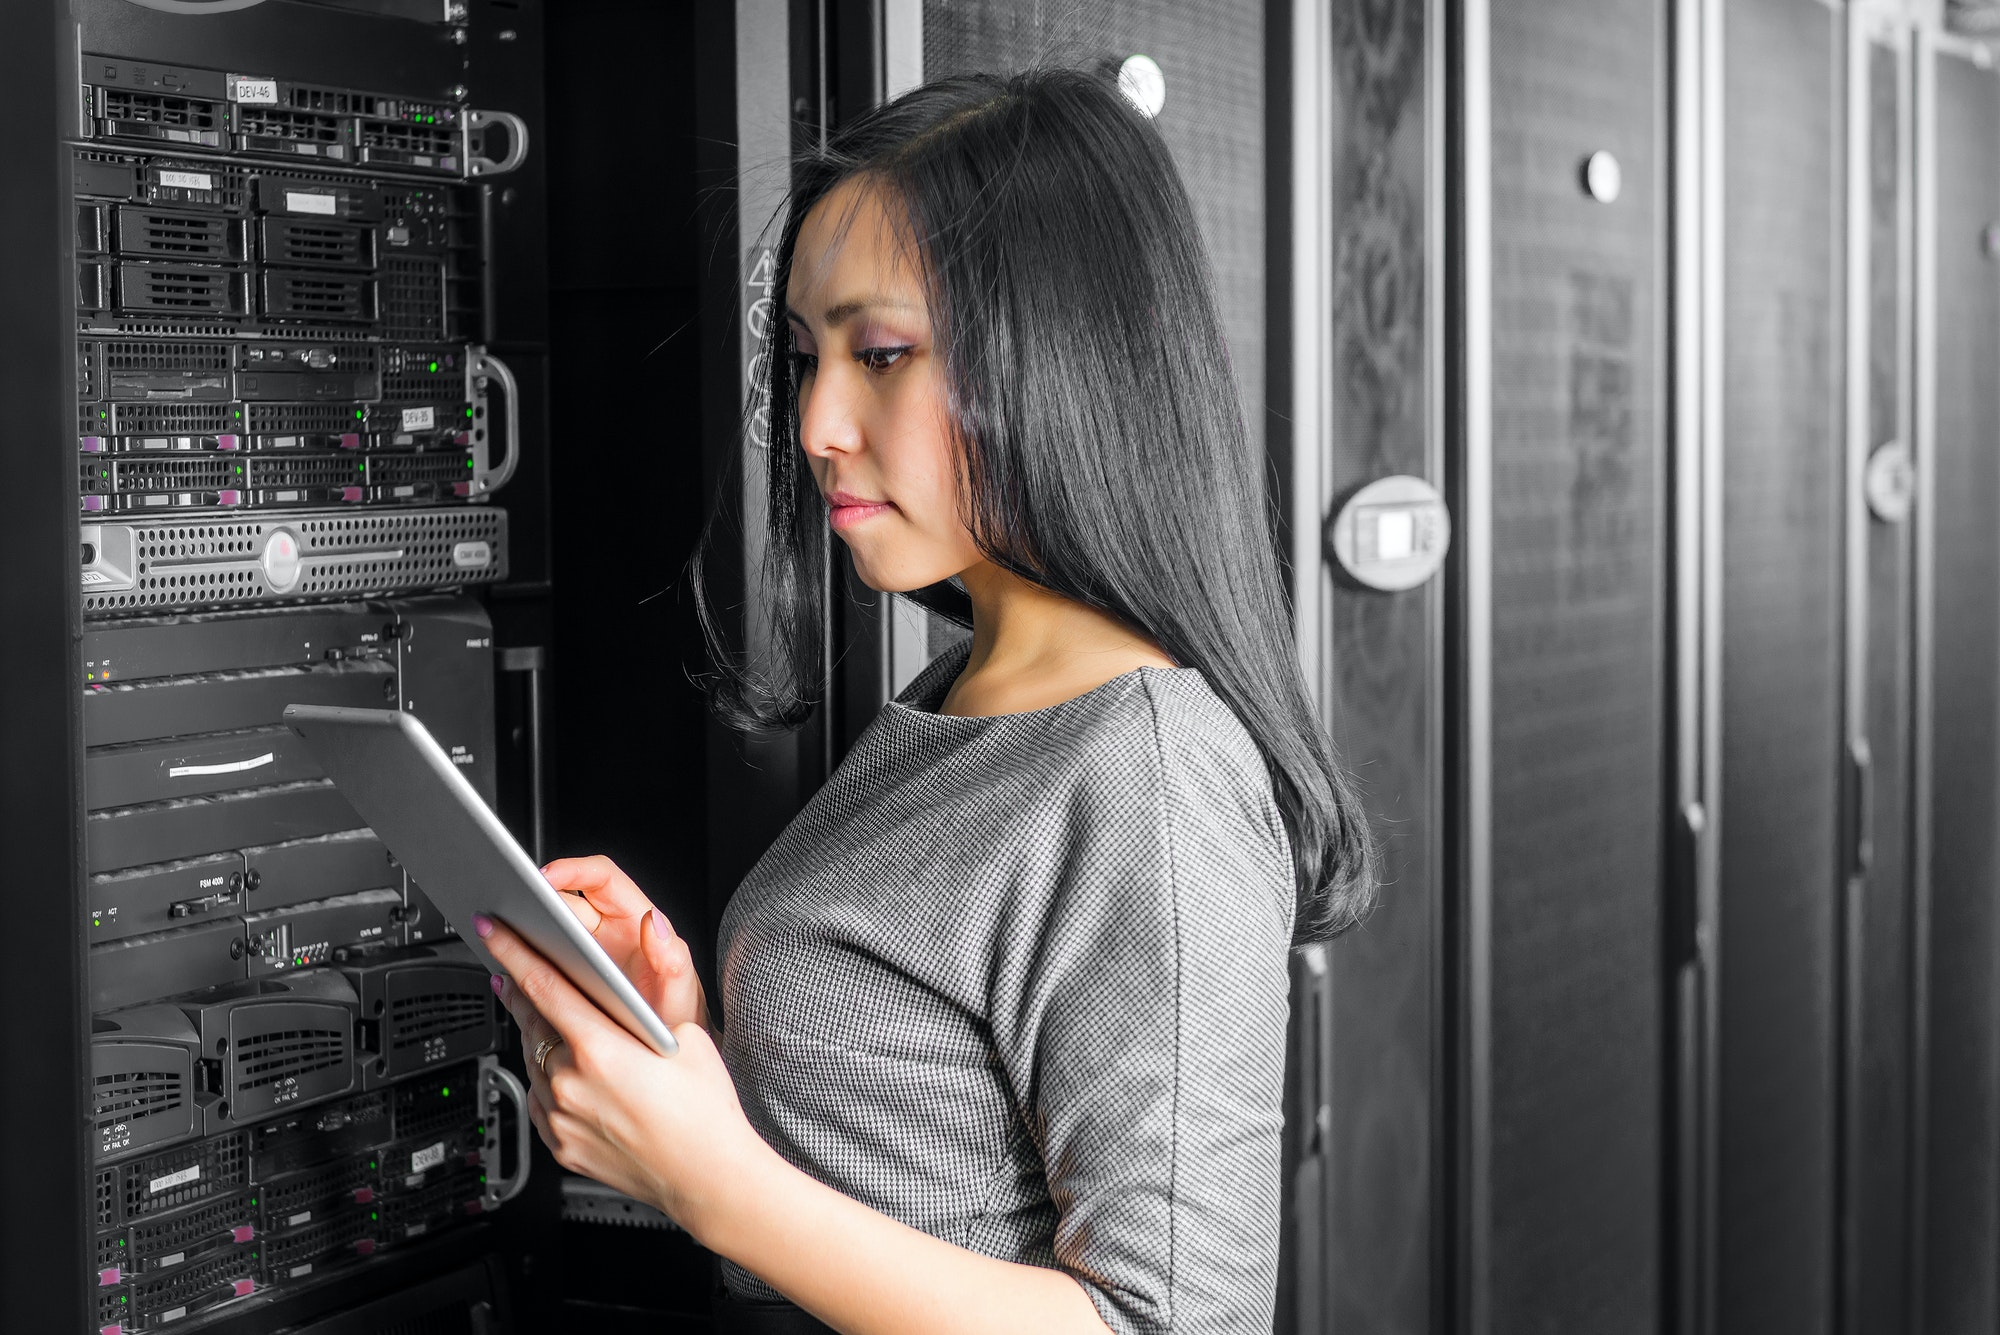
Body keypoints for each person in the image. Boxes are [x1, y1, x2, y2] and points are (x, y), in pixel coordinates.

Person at [472, 67, 1376, 1335]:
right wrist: (681, 1072)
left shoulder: (1147, 776)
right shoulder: (962, 694)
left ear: (1063, 361)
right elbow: (911, 1172)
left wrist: (714, 1179)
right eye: (803, 358)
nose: (817, 424)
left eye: (881, 353)